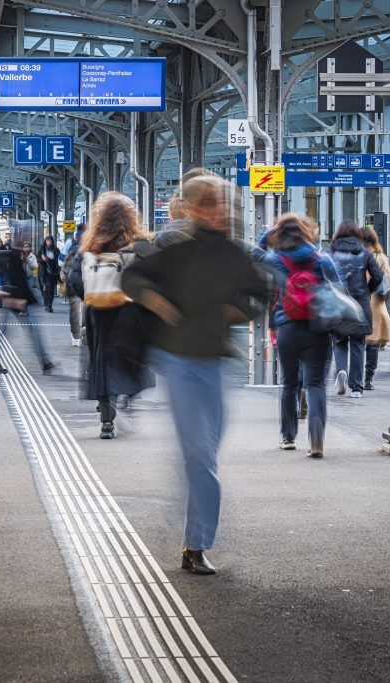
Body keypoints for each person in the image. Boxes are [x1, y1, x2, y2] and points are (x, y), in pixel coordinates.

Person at [122, 175, 268, 575]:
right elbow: (131, 278)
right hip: (179, 360)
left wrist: (235, 312)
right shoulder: (172, 247)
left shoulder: (234, 253)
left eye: (221, 202)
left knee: (206, 454)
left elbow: (260, 293)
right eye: (208, 202)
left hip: (218, 363)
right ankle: (197, 544)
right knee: (200, 455)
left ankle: (194, 519)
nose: (217, 210)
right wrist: (157, 302)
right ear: (190, 208)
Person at [261, 215, 341, 456]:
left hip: (287, 327)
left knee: (289, 383)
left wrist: (270, 231)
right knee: (316, 383)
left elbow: (255, 253)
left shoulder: (276, 260)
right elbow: (339, 289)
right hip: (318, 328)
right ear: (308, 232)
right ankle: (316, 439)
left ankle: (287, 437)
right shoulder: (321, 258)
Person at [77, 192, 153, 439]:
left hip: (97, 312)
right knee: (131, 356)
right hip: (128, 309)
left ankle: (106, 421)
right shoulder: (140, 245)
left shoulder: (90, 245)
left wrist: (91, 295)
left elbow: (73, 279)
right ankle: (127, 395)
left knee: (101, 362)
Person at [328, 220, 383, 398]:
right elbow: (378, 275)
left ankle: (341, 371)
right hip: (360, 302)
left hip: (338, 303)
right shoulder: (364, 253)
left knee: (339, 341)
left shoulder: (332, 252)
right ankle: (356, 388)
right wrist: (368, 290)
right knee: (358, 344)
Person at [0, 241, 54, 375]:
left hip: (12, 297)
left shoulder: (12, 258)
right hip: (16, 299)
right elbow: (17, 280)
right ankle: (45, 361)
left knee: (7, 330)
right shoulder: (14, 260)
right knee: (32, 330)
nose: (24, 250)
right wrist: (21, 299)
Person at [362, 228, 390, 391]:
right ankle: (369, 378)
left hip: (360, 301)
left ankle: (354, 376)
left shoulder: (356, 256)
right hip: (376, 301)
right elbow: (389, 281)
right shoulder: (381, 257)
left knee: (357, 342)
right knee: (372, 342)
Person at [61, 224, 85, 347]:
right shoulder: (93, 248)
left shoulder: (71, 245)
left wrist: (64, 279)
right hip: (87, 285)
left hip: (73, 283)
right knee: (86, 310)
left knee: (75, 310)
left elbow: (63, 264)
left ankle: (76, 335)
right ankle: (84, 333)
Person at [37, 235, 61, 312]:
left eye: (50, 240)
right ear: (45, 241)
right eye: (47, 240)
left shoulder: (56, 250)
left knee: (51, 290)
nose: (48, 242)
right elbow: (38, 258)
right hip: (45, 272)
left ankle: (49, 305)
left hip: (53, 272)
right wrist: (42, 259)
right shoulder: (42, 249)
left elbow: (58, 261)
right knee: (47, 288)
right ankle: (47, 305)